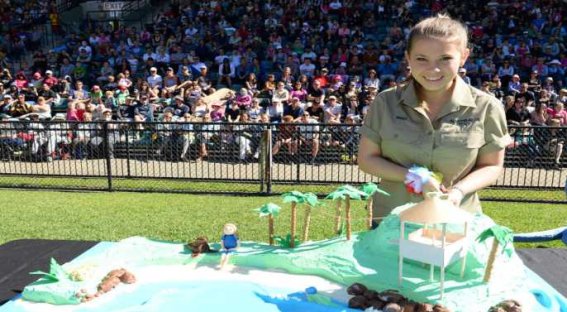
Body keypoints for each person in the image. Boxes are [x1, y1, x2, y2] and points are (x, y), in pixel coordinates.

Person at [358, 15, 511, 225]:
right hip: (391, 221)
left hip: (458, 220)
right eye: (421, 59)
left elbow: (492, 165)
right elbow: (367, 159)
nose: (433, 69)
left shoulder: (487, 107)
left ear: (464, 56)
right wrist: (413, 176)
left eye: (445, 59)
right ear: (408, 58)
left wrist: (458, 191)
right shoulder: (385, 102)